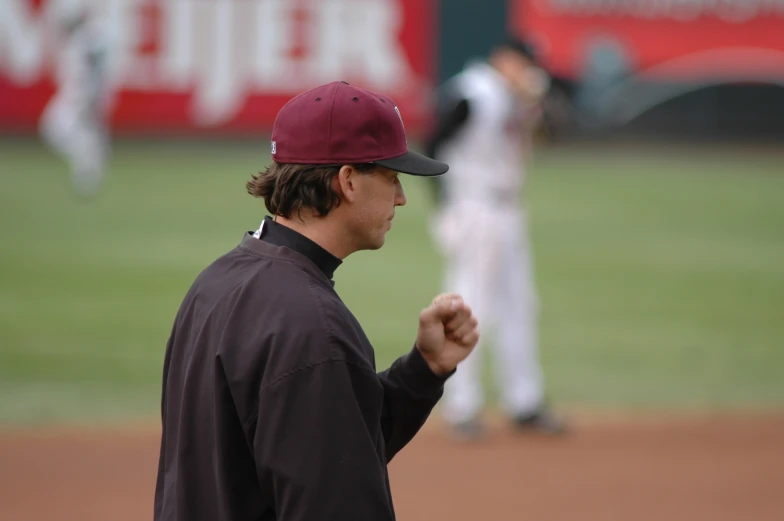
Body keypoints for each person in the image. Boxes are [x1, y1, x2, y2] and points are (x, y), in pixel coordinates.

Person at [154, 81, 480, 521]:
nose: (401, 198)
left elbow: (328, 444)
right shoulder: (313, 324)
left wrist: (423, 371)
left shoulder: (215, 283)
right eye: (391, 176)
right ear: (347, 180)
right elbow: (335, 497)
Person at [424, 36, 567, 441]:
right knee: (471, 307)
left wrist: (535, 103)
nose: (528, 71)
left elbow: (557, 131)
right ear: (503, 59)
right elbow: (433, 141)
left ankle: (524, 402)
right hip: (475, 208)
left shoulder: (517, 95)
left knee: (520, 305)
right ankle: (461, 407)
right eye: (524, 62)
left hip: (509, 210)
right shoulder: (472, 93)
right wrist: (445, 206)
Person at [39, 1, 112, 198]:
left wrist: (91, 97)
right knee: (82, 135)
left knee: (59, 128)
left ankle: (88, 172)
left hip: (80, 97)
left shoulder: (87, 38)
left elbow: (95, 67)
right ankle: (89, 168)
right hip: (79, 95)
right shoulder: (79, 40)